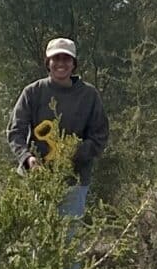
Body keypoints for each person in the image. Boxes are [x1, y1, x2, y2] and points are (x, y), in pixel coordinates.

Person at [7, 37, 109, 217]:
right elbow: (16, 131)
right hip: (36, 180)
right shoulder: (32, 92)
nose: (61, 63)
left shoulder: (89, 95)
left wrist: (73, 152)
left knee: (67, 239)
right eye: (56, 58)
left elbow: (100, 136)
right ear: (48, 62)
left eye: (66, 59)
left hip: (74, 182)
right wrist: (28, 158)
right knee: (35, 238)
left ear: (73, 64)